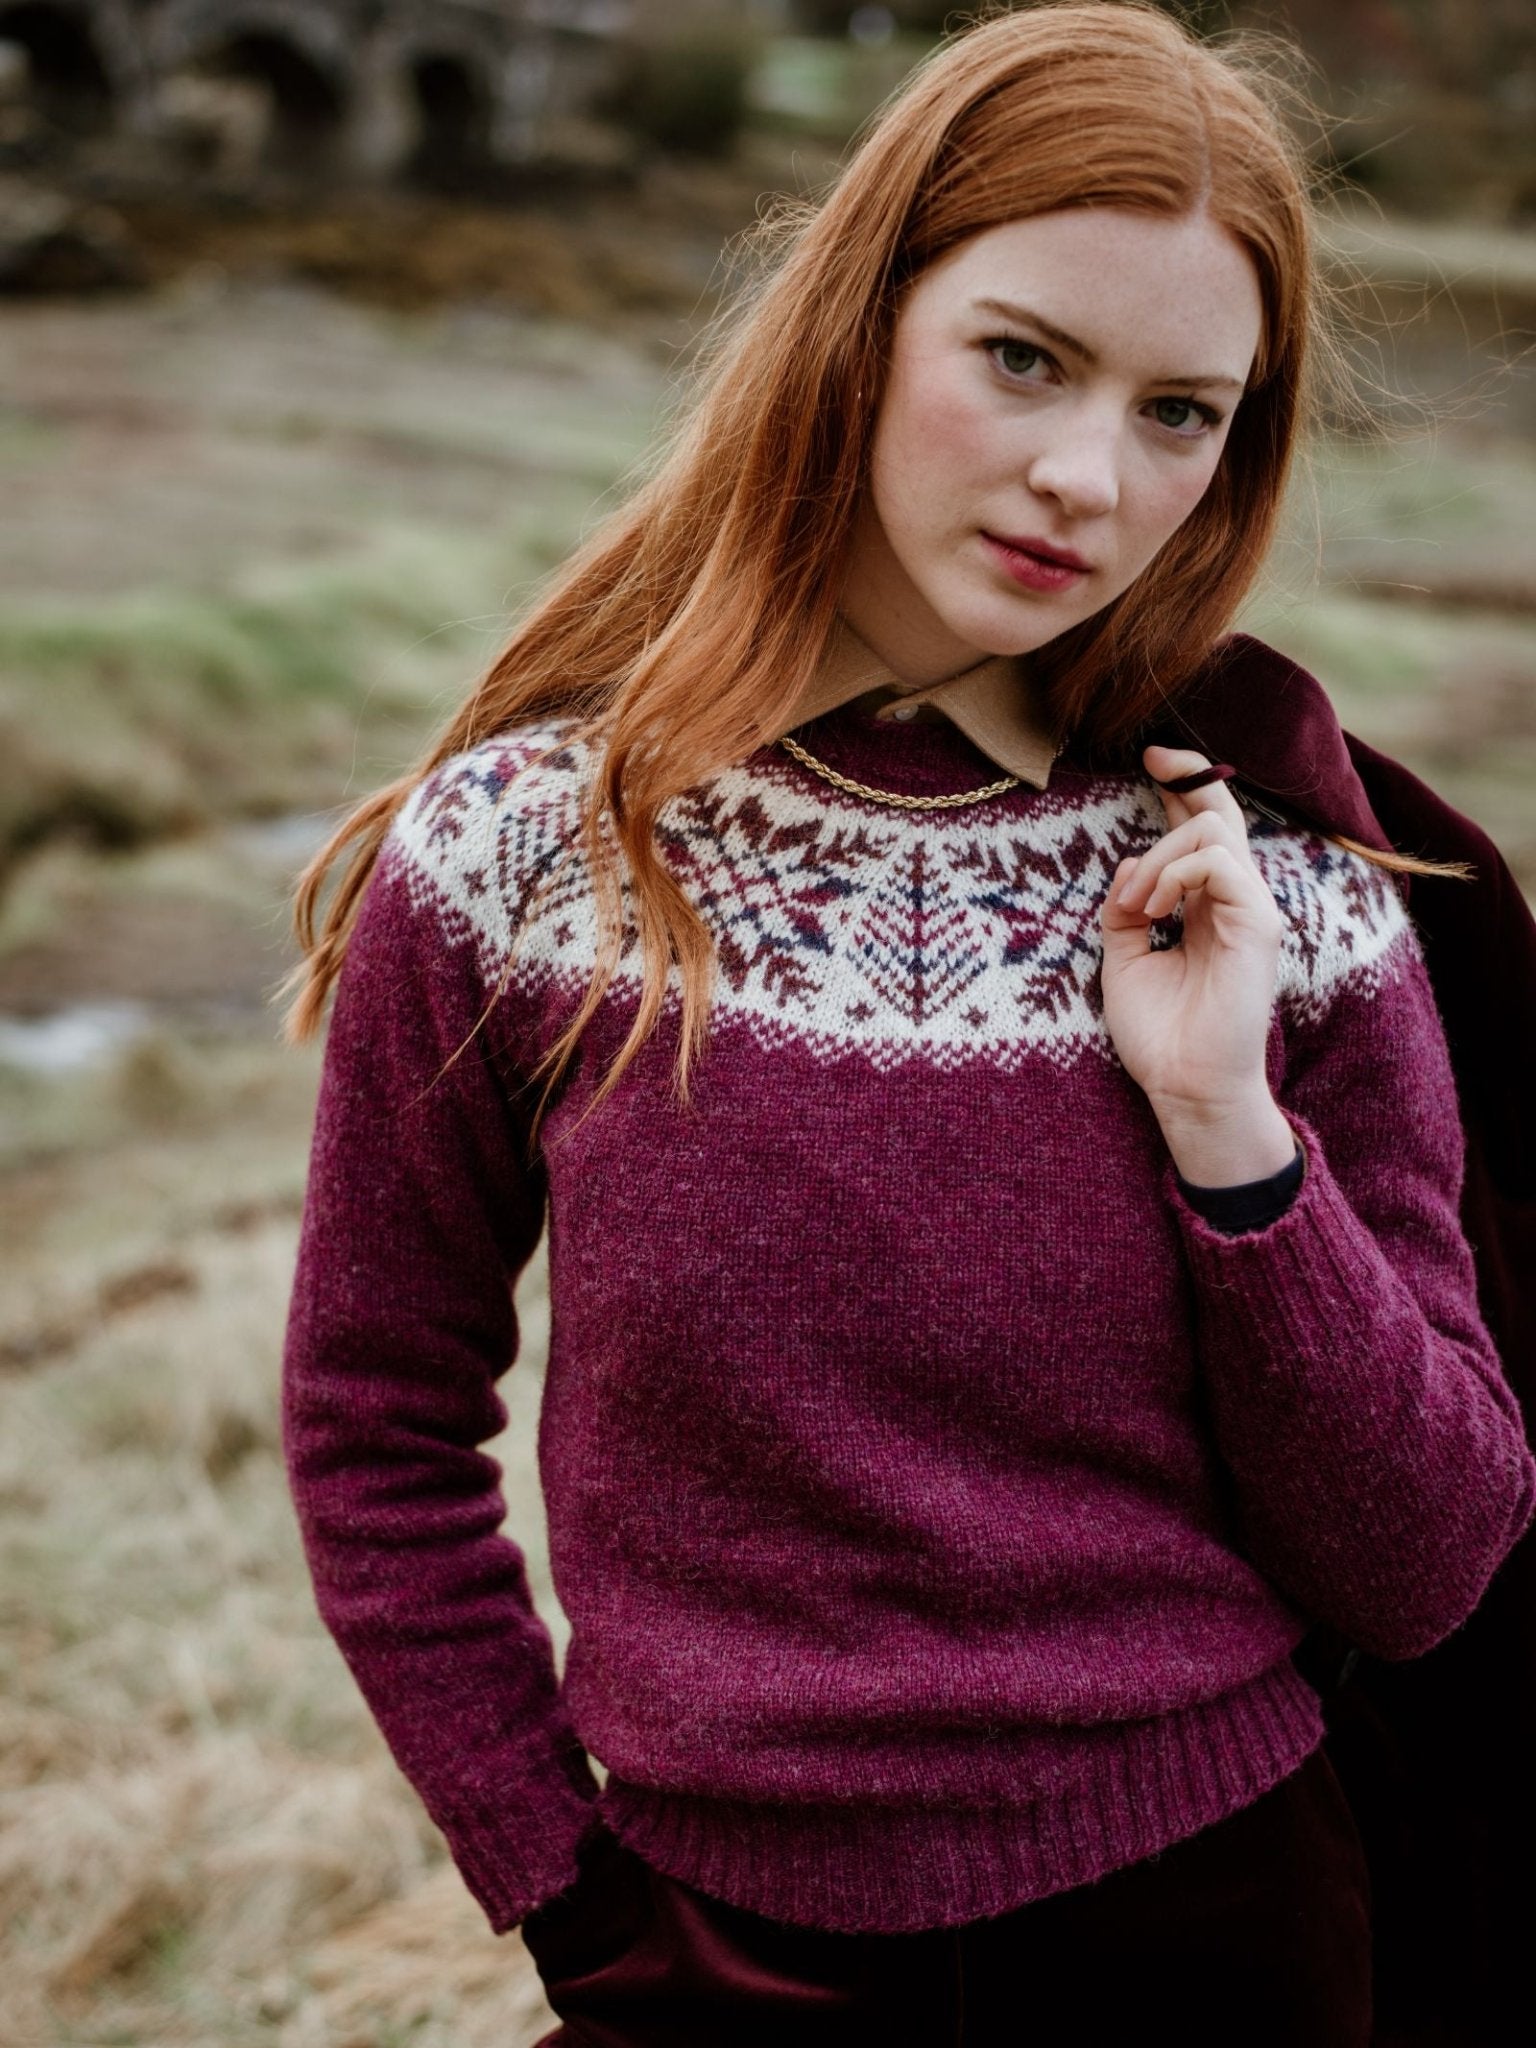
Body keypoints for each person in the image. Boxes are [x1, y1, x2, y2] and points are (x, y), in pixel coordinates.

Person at [278, 4, 1536, 2042]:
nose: (1082, 477)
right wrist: (568, 1894)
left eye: (1179, 413)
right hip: (707, 1954)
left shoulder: (1290, 890)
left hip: (1218, 1938)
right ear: (863, 322)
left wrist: (1231, 1131)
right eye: (1025, 358)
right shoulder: (524, 853)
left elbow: (1428, 1559)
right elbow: (376, 1414)